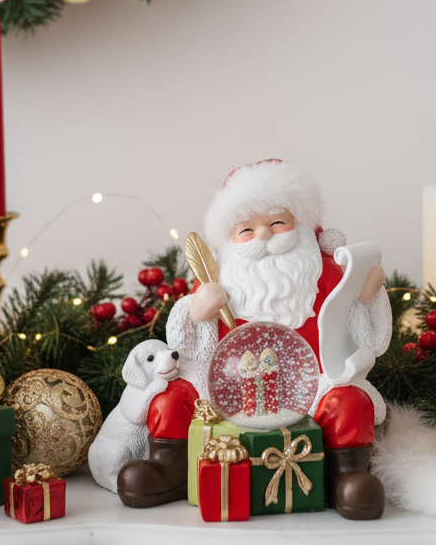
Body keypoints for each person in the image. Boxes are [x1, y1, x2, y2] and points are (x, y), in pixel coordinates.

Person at [118, 160, 392, 520]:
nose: (263, 235)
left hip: (312, 384)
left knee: (350, 402)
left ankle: (346, 475)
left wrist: (365, 295)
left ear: (301, 223)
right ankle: (168, 468)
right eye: (247, 229)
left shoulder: (321, 269)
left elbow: (350, 319)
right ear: (230, 238)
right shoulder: (223, 274)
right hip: (225, 386)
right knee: (173, 398)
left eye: (277, 223)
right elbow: (187, 341)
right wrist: (200, 307)